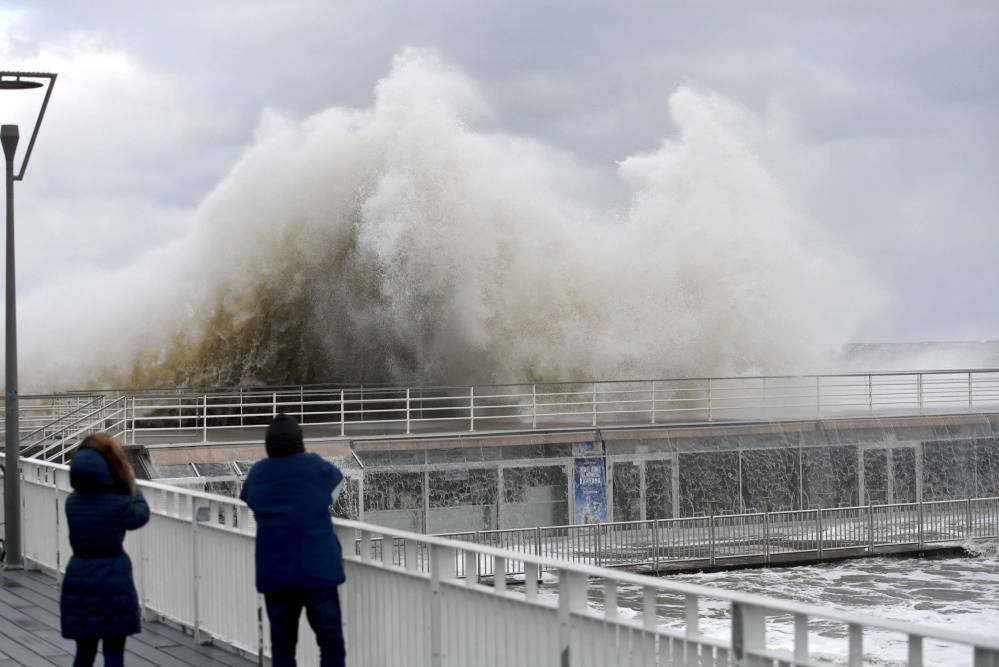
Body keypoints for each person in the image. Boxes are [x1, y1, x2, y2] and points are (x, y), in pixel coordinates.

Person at [241, 413, 346, 667]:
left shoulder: (258, 473)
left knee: (283, 646)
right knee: (330, 641)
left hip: (277, 574)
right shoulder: (314, 466)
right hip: (318, 571)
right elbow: (337, 485)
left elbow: (248, 498)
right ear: (299, 440)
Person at [60, 433, 150, 667]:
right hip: (113, 579)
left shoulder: (73, 502)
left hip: (79, 576)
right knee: (113, 652)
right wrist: (132, 488)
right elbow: (140, 516)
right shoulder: (118, 502)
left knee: (84, 652)